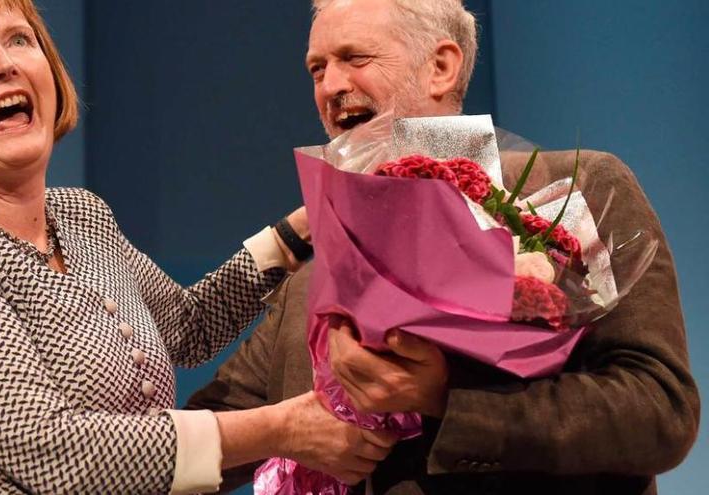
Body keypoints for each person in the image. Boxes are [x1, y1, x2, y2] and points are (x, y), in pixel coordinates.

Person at [0, 0, 397, 493]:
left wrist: (305, 226)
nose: (4, 64)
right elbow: (46, 449)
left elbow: (189, 328)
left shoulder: (82, 215)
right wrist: (279, 429)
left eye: (19, 40)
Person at [186, 0, 700, 493]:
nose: (331, 87)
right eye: (317, 69)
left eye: (354, 58)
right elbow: (214, 436)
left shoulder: (576, 189)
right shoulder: (309, 284)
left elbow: (659, 409)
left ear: (441, 67)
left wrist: (446, 399)